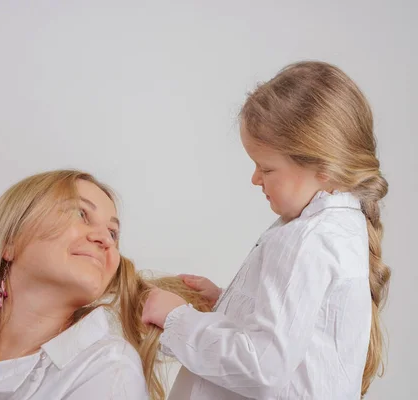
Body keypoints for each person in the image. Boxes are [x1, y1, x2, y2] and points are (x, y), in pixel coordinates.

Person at [143, 61, 390, 399]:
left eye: (266, 167)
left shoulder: (306, 239)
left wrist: (176, 319)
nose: (255, 179)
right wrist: (227, 303)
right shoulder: (334, 230)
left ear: (324, 166)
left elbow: (262, 368)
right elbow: (297, 333)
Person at [0, 169, 208, 400]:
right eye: (80, 214)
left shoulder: (107, 368)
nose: (104, 238)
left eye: (113, 232)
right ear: (10, 241)